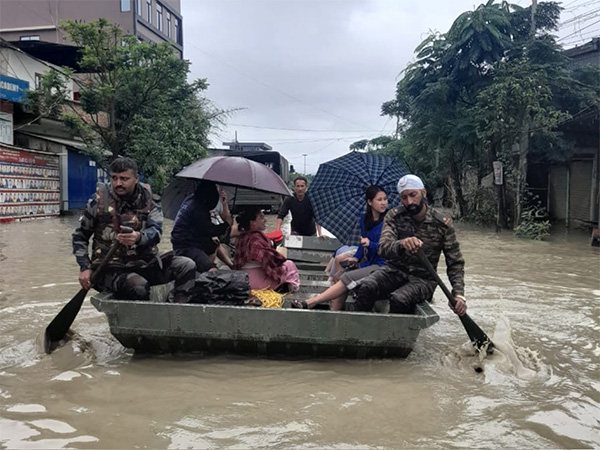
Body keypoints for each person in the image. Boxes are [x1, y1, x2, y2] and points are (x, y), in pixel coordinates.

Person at [72, 157, 196, 303]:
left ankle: (178, 314)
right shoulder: (98, 202)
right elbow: (80, 236)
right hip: (110, 269)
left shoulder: (149, 199)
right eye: (114, 178)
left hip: (144, 264)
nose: (118, 183)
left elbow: (156, 232)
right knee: (139, 286)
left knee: (187, 265)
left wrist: (139, 237)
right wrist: (85, 267)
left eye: (124, 179)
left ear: (136, 178)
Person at [351, 174, 467, 316]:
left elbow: (455, 262)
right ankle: (359, 327)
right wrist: (401, 244)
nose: (409, 201)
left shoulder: (442, 223)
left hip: (423, 279)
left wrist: (458, 294)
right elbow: (383, 247)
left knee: (399, 299)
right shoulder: (394, 216)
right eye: (404, 197)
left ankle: (395, 337)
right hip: (393, 271)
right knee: (366, 286)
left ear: (423, 193)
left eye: (413, 195)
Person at [291, 185, 388, 310]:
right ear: (369, 202)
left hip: (381, 264)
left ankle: (312, 302)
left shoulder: (388, 221)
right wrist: (356, 258)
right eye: (379, 200)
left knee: (346, 277)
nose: (383, 203)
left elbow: (387, 247)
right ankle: (335, 312)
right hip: (367, 261)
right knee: (339, 274)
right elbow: (361, 244)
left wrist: (371, 245)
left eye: (385, 199)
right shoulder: (364, 219)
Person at [171, 180, 231, 272]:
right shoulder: (198, 207)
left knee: (213, 244)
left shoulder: (190, 199)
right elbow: (209, 229)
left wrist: (224, 204)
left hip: (186, 241)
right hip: (187, 246)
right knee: (213, 270)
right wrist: (226, 225)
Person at [234, 207, 299, 292]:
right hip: (257, 283)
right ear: (252, 223)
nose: (265, 220)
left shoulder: (240, 238)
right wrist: (279, 255)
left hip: (242, 280)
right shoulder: (256, 239)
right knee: (289, 264)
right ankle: (292, 288)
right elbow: (271, 260)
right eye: (261, 217)